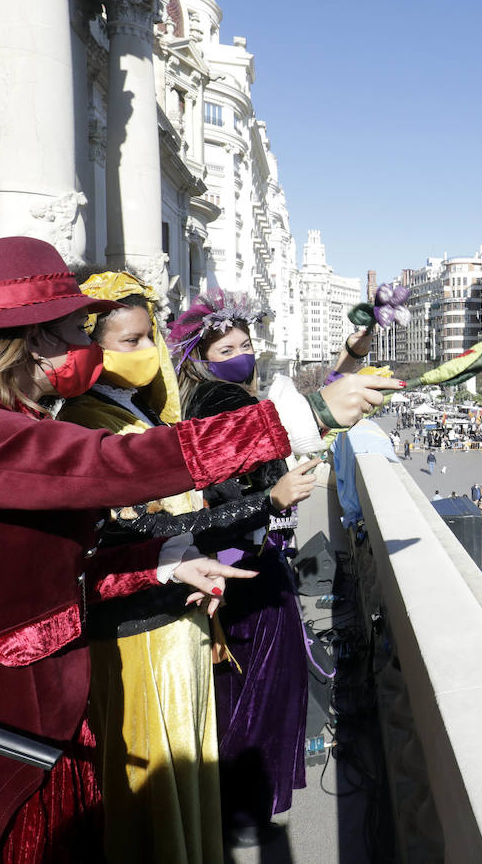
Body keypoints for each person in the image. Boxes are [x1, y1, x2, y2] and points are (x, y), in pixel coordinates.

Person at [0, 238, 391, 863]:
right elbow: (111, 465)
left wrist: (159, 565)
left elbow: (47, 573)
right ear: (34, 340)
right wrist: (295, 416)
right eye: (72, 327)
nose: (83, 343)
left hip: (40, 710)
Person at [62, 272, 326, 862]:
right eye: (129, 341)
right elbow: (132, 530)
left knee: (195, 760)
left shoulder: (137, 408)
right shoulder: (85, 422)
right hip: (143, 631)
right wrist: (267, 500)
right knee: (165, 771)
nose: (146, 351)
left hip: (187, 608)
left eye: (148, 336)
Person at [170, 289, 397, 847]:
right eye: (228, 347)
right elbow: (233, 483)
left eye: (246, 343)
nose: (242, 353)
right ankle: (241, 809)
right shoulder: (218, 404)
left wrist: (353, 348)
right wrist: (271, 498)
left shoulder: (234, 397)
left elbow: (299, 416)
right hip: (238, 566)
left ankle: (242, 805)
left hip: (252, 560)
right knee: (258, 684)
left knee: (264, 680)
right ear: (201, 357)